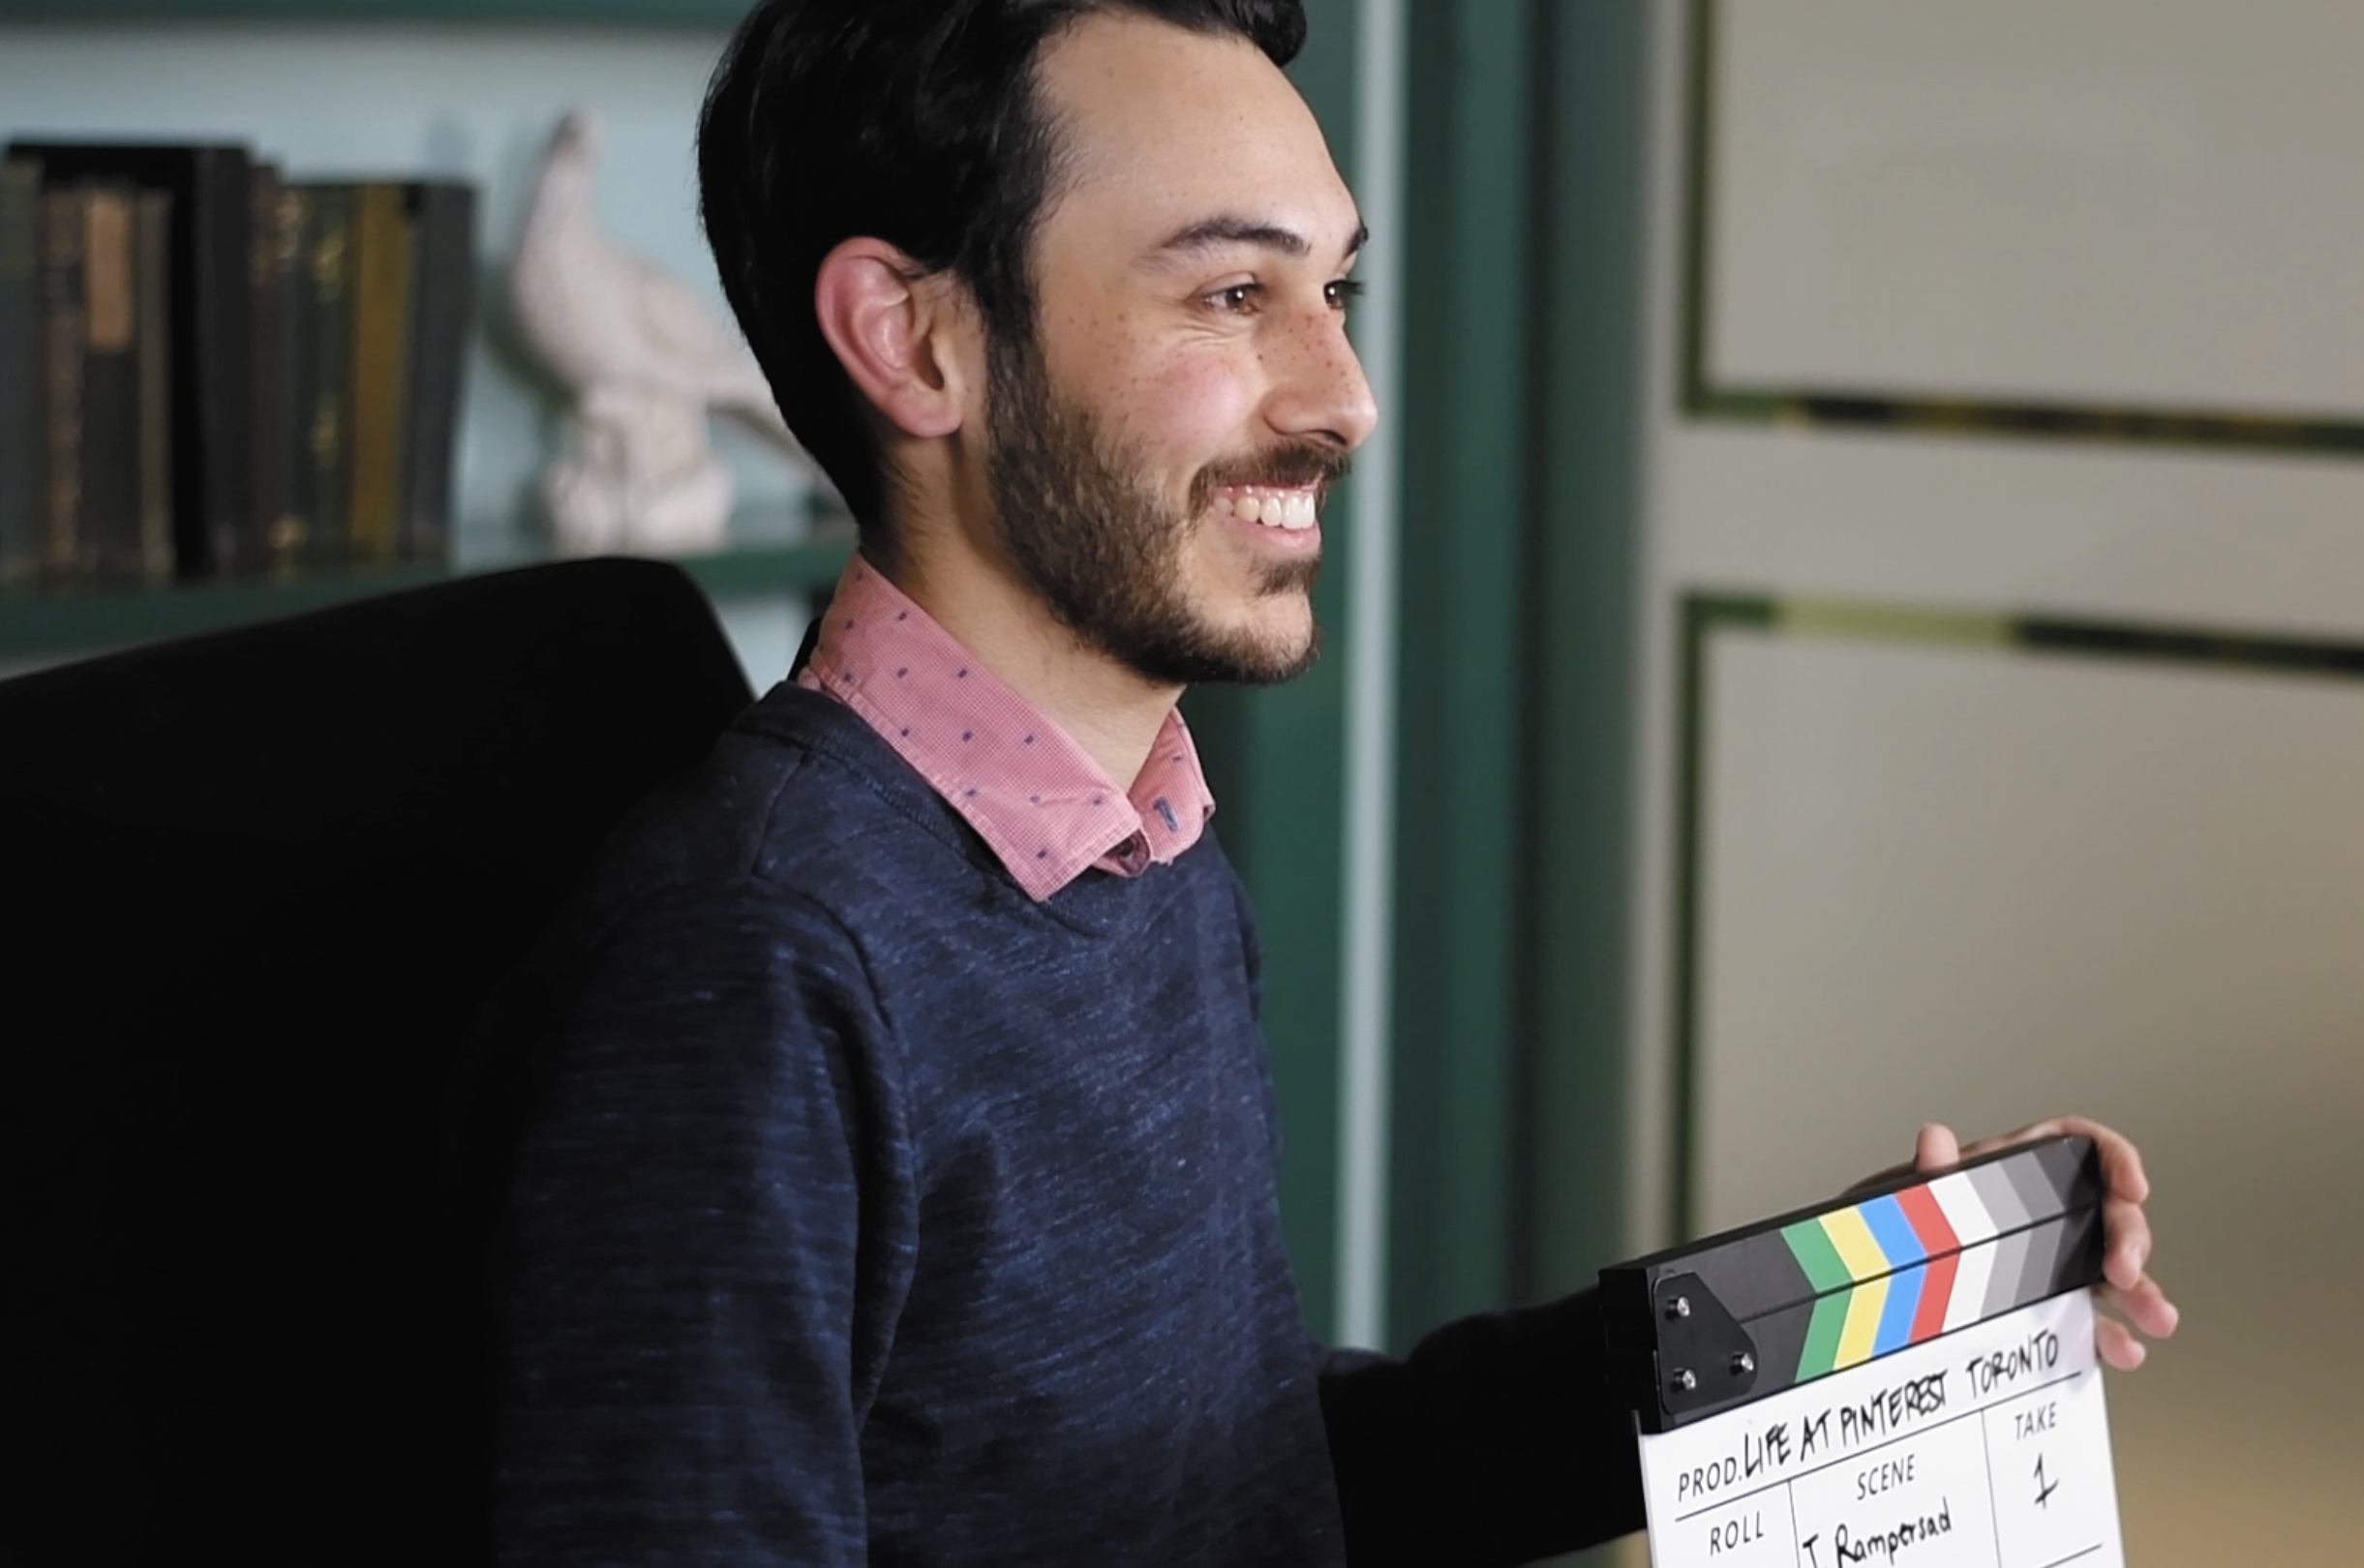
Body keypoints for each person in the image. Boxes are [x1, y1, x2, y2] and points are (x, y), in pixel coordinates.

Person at [453, 2, 2177, 1564]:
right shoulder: (742, 972)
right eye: (1230, 292)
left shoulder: (1139, 846)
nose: (1344, 397)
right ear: (914, 347)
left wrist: (1853, 1310)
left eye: (1331, 291)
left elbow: (1250, 1480)